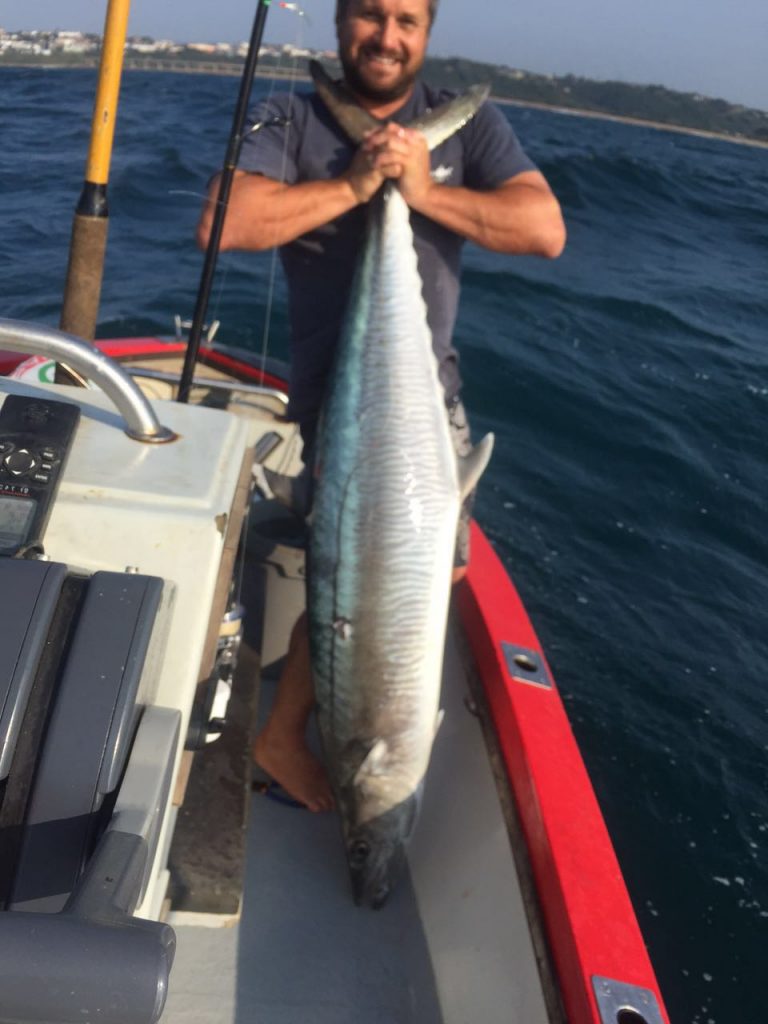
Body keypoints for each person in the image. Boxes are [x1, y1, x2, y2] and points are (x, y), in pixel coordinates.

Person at [197, 0, 566, 811]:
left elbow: (544, 230)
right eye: (370, 15)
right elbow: (222, 219)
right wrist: (358, 183)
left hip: (429, 396)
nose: (387, 37)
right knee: (358, 573)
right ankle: (281, 734)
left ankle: (292, 726)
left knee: (439, 563)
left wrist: (420, 191)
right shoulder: (293, 117)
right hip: (344, 407)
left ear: (428, 32)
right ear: (339, 20)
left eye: (407, 20)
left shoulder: (463, 127)